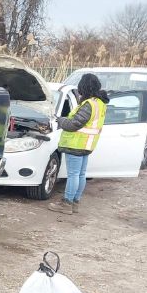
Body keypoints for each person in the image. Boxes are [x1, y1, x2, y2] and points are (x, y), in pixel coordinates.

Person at [48, 73, 109, 215]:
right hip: (87, 144)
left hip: (76, 144)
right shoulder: (99, 103)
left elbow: (74, 124)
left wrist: (60, 120)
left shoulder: (89, 104)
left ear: (84, 87)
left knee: (74, 175)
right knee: (80, 174)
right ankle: (75, 202)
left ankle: (67, 203)